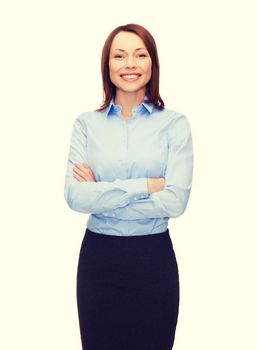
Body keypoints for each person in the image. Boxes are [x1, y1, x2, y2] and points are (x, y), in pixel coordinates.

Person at [64, 23, 194, 350]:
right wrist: (148, 185)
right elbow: (75, 195)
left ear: (153, 63)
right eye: (119, 56)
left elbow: (175, 202)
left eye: (140, 54)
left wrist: (103, 194)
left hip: (153, 262)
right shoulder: (86, 125)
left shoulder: (174, 125)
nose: (130, 64)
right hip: (99, 262)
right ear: (107, 66)